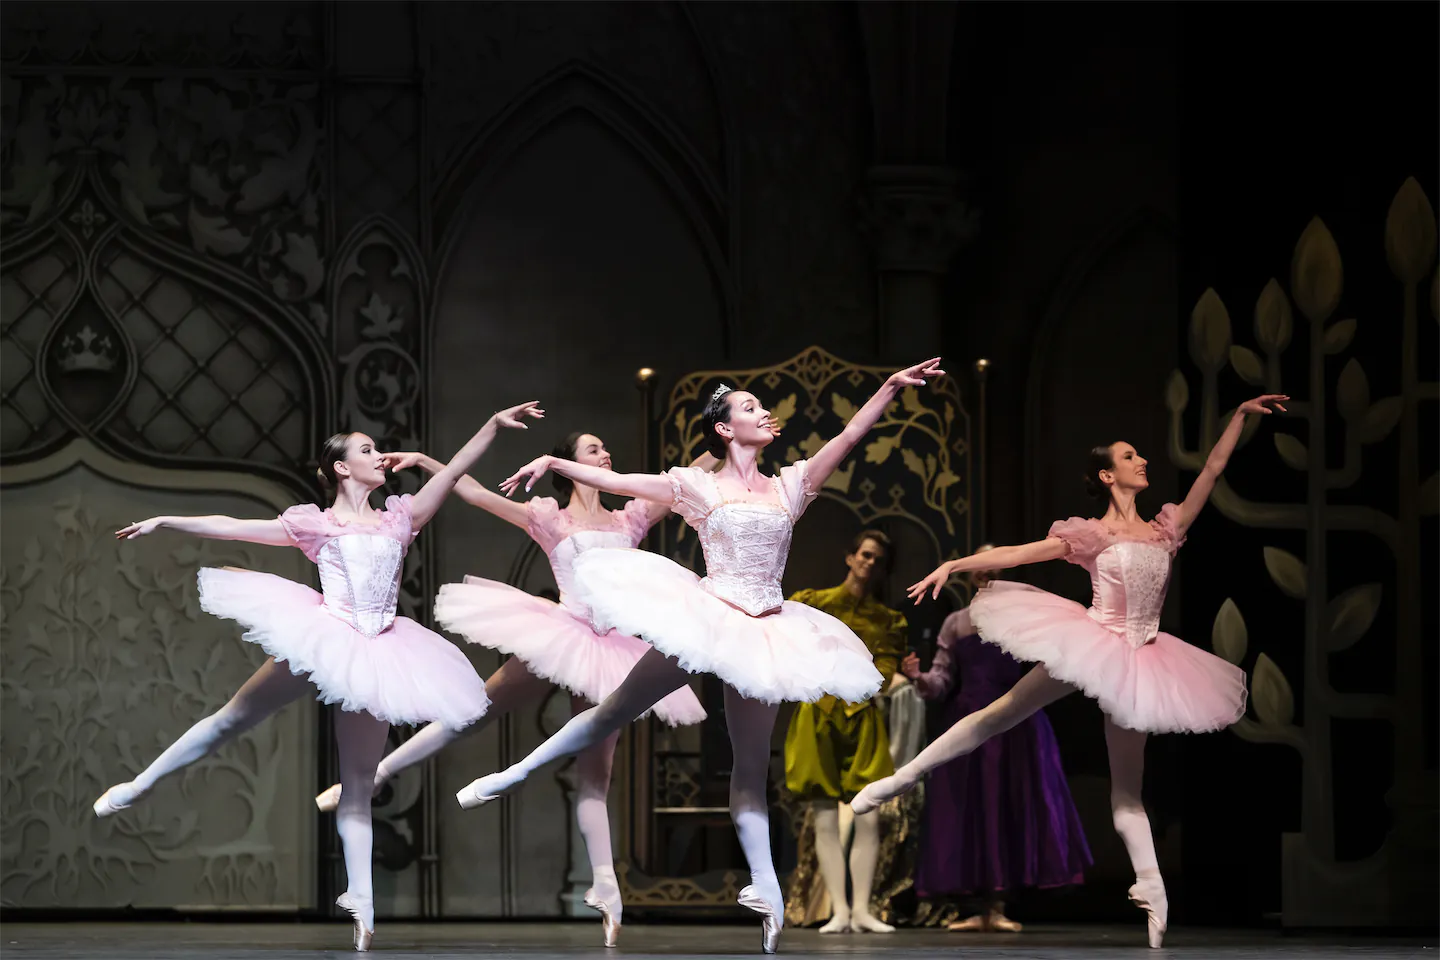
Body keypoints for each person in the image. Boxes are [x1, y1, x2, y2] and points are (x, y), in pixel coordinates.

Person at [456, 358, 946, 954]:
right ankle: (516, 773)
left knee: (749, 768)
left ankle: (766, 892)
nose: (763, 413)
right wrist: (555, 462)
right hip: (707, 615)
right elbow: (621, 483)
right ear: (723, 428)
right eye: (748, 407)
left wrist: (889, 388)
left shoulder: (791, 484)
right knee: (613, 710)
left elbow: (848, 436)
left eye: (762, 408)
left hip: (765, 630)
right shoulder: (698, 485)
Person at [94, 402, 542, 952]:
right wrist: (168, 520)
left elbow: (449, 475)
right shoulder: (314, 523)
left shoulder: (400, 516)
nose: (380, 457)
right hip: (324, 633)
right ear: (341, 468)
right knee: (231, 720)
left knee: (359, 784)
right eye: (368, 451)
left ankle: (363, 903)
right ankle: (140, 784)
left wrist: (491, 426)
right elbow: (236, 527)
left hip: (379, 649)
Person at [853, 394, 1288, 948]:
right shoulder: (1091, 534)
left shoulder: (1165, 528)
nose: (1143, 462)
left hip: (1143, 658)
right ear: (1108, 475)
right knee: (998, 714)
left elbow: (1213, 470)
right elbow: (1017, 554)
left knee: (1129, 792)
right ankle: (902, 777)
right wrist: (955, 563)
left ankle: (1152, 887)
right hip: (1093, 639)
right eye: (1131, 457)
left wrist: (1239, 417)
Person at [312, 432, 710, 946]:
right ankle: (379, 773)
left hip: (612, 648)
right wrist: (425, 460)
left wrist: (723, 442)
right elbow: (476, 494)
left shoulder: (630, 516)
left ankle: (607, 888)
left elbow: (685, 477)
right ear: (568, 467)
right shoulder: (550, 516)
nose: (605, 454)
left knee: (597, 772)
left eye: (605, 449)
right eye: (594, 451)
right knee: (476, 707)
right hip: (561, 630)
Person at [900, 546, 1091, 932]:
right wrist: (919, 678)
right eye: (981, 568)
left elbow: (1049, 663)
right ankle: (978, 907)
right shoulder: (956, 622)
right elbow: (941, 682)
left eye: (995, 567)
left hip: (1014, 722)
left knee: (1007, 806)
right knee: (971, 810)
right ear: (973, 576)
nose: (987, 573)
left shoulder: (1024, 620)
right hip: (970, 719)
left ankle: (1000, 905)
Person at [783, 530, 908, 934]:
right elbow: (789, 643)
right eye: (865, 555)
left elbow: (886, 670)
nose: (869, 564)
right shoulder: (814, 604)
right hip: (817, 711)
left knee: (868, 815)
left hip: (862, 716)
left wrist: (863, 686)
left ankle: (862, 909)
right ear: (850, 557)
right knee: (822, 815)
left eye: (877, 560)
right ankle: (838, 910)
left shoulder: (887, 620)